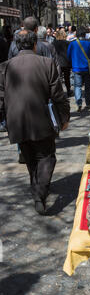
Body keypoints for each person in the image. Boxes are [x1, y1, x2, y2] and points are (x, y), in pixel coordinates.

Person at [0, 29, 70, 214]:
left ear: (15, 44)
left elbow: (0, 97)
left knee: (30, 157)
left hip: (16, 121)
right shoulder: (46, 64)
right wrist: (64, 117)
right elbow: (58, 94)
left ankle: (37, 189)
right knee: (46, 156)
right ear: (35, 44)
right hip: (41, 120)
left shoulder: (5, 66)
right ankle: (39, 193)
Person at [67, 26, 90, 112]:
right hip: (87, 68)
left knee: (77, 86)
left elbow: (68, 56)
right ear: (85, 34)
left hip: (76, 68)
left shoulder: (72, 43)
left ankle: (79, 103)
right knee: (88, 86)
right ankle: (88, 103)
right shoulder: (89, 43)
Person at [53, 29, 72, 97]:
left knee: (59, 78)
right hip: (67, 62)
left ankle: (60, 92)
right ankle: (69, 91)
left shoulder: (54, 43)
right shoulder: (68, 43)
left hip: (58, 62)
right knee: (67, 78)